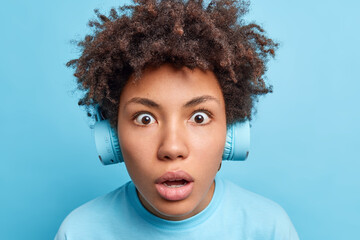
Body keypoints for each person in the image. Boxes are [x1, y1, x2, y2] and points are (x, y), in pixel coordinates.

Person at [55, 0, 299, 239]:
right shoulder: (79, 232)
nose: (172, 148)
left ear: (231, 133)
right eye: (145, 119)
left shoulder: (270, 229)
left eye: (199, 117)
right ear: (112, 137)